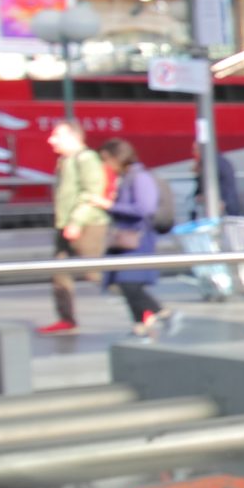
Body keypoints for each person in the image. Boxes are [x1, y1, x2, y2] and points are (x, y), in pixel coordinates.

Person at [39, 120, 111, 334]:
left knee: (95, 274)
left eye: (56, 135)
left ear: (73, 136)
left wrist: (76, 222)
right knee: (59, 272)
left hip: (87, 225)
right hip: (65, 225)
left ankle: (143, 302)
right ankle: (66, 318)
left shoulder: (87, 159)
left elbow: (92, 193)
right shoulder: (65, 161)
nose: (51, 140)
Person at [98, 138, 168, 337]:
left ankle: (161, 313)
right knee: (125, 283)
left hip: (138, 240)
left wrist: (109, 206)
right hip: (127, 240)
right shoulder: (128, 177)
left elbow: (145, 208)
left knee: (129, 282)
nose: (105, 165)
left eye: (106, 160)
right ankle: (142, 322)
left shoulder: (139, 177)